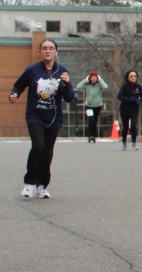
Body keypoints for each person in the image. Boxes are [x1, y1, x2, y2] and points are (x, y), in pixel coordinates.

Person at [9, 39, 75, 198]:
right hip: (35, 116)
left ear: (56, 51)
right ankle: (30, 183)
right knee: (38, 147)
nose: (47, 51)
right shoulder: (32, 70)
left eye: (51, 48)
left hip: (54, 118)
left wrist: (67, 84)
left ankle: (42, 185)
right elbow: (19, 85)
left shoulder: (62, 71)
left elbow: (69, 98)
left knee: (47, 152)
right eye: (44, 48)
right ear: (40, 52)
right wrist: (14, 94)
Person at [116, 70, 142, 151]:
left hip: (134, 109)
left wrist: (140, 101)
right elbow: (119, 96)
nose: (133, 78)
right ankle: (124, 143)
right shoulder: (124, 87)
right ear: (128, 77)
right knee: (125, 127)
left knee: (133, 126)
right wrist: (129, 99)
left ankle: (134, 143)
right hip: (124, 109)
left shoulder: (138, 87)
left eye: (135, 76)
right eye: (131, 76)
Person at [76, 70, 108, 142]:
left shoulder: (99, 84)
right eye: (92, 77)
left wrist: (100, 80)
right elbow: (78, 86)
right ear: (90, 78)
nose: (93, 79)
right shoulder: (87, 84)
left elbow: (105, 87)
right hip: (88, 105)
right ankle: (90, 135)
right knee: (91, 120)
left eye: (95, 77)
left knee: (94, 121)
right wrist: (85, 80)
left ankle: (93, 136)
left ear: (97, 78)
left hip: (98, 105)